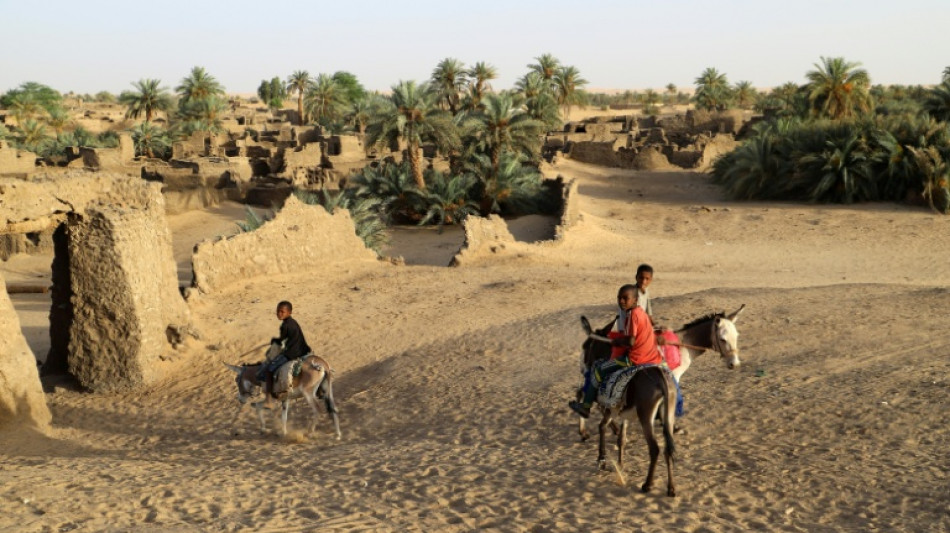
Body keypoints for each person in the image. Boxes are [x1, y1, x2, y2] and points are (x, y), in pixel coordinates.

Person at [569, 284, 665, 419]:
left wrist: (618, 341)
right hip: (651, 357)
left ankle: (586, 406)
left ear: (635, 300)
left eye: (625, 298)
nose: (621, 301)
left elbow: (631, 341)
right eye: (619, 298)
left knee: (599, 370)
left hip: (635, 359)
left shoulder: (633, 315)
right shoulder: (642, 313)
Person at [256, 301, 312, 405]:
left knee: (269, 369)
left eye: (282, 312)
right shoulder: (293, 322)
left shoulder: (285, 325)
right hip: (302, 349)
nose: (279, 314)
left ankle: (269, 399)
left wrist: (274, 341)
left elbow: (281, 341)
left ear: (289, 312)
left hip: (293, 353)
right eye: (278, 311)